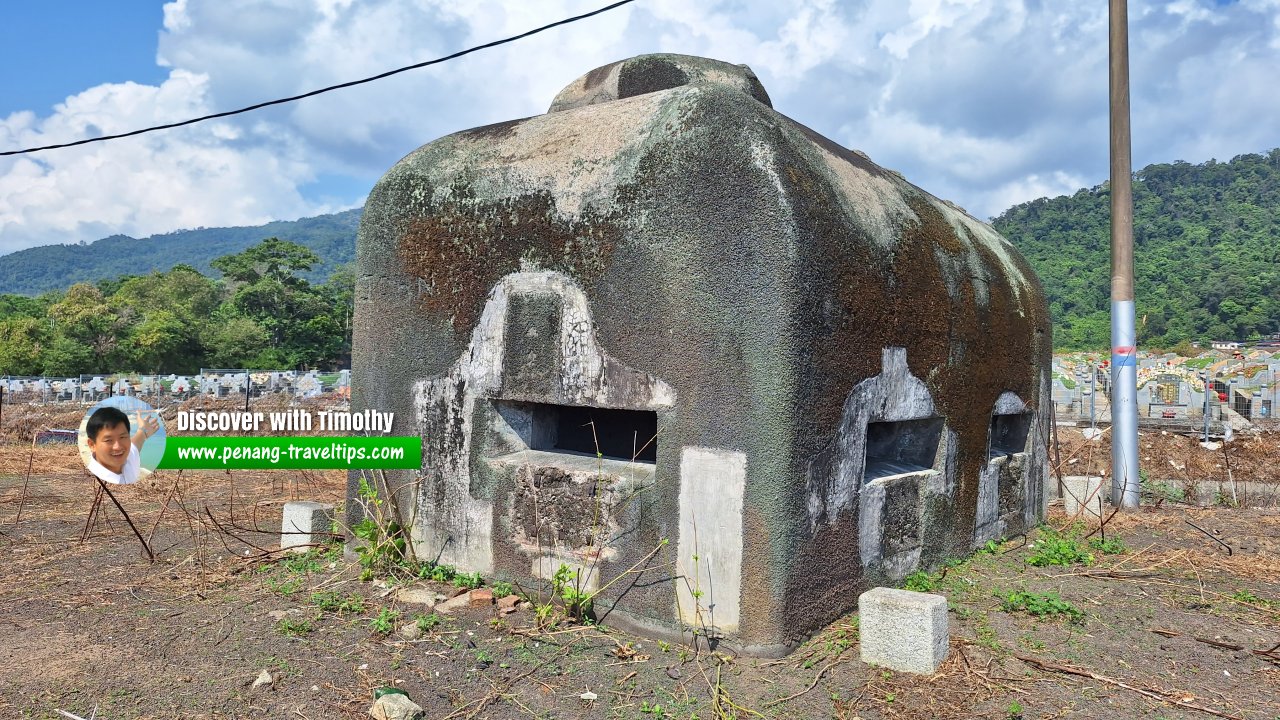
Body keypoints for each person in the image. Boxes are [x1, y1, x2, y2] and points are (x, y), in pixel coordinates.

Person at [85, 406, 159, 485]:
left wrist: (143, 430)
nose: (118, 447)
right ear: (92, 445)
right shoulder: (92, 481)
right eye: (108, 440)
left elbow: (135, 445)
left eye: (122, 437)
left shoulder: (128, 459)